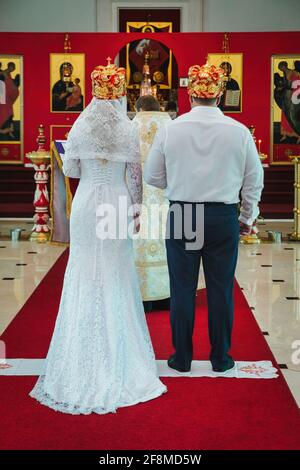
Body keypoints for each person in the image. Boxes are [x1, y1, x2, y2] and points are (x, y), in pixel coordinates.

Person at [30, 59, 166, 415]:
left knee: (84, 271)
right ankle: (119, 356)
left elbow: (72, 168)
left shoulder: (81, 124)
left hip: (89, 204)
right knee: (116, 272)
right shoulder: (126, 128)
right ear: (119, 93)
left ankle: (77, 359)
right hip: (119, 204)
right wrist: (137, 212)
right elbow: (135, 177)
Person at [145, 62, 264, 373]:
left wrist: (179, 183)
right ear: (221, 94)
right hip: (223, 215)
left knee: (182, 288)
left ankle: (181, 358)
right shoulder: (238, 131)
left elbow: (152, 176)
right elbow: (255, 178)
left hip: (184, 212)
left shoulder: (171, 129)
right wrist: (247, 215)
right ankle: (221, 359)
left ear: (189, 95)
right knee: (221, 288)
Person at [132, 95, 171, 311]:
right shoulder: (171, 125)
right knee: (166, 243)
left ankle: (142, 295)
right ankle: (166, 295)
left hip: (139, 196)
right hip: (165, 195)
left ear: (137, 108)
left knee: (139, 241)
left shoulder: (131, 126)